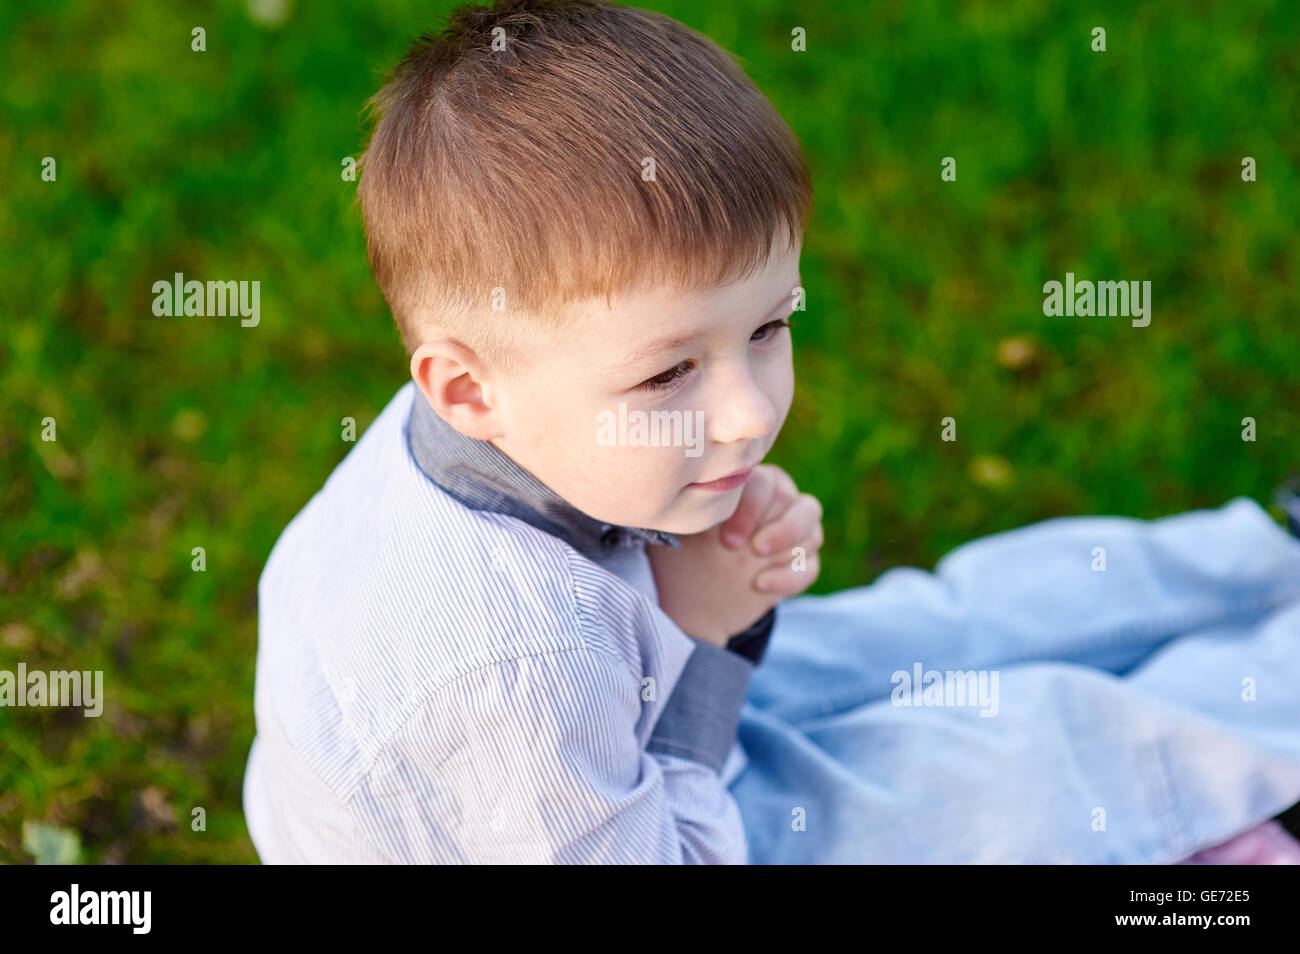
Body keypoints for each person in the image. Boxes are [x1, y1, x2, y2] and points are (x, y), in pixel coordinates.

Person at [241, 0, 1300, 863]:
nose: (750, 413)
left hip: (623, 731)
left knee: (940, 633)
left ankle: (1271, 554)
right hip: (648, 820)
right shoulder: (504, 669)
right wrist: (706, 629)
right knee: (1015, 764)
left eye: (768, 327)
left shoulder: (498, 410)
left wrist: (703, 604)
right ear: (467, 390)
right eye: (668, 372)